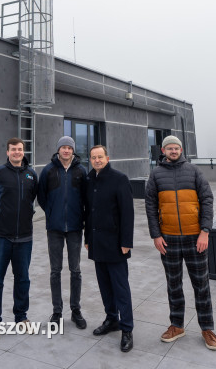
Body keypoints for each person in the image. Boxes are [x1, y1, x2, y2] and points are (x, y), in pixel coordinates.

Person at [145, 135, 216, 351]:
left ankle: (207, 328)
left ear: (181, 149)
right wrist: (156, 235)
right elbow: (150, 205)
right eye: (170, 148)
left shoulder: (194, 171)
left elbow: (207, 199)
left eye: (176, 148)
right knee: (173, 285)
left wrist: (205, 231)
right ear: (163, 150)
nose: (174, 151)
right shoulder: (156, 174)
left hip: (195, 238)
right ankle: (177, 326)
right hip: (168, 240)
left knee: (201, 285)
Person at [0, 137, 38, 340]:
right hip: (0, 237)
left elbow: (31, 200)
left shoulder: (31, 175)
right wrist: (0, 217)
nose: (17, 152)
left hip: (24, 237)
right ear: (7, 152)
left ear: (24, 152)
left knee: (23, 279)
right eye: (13, 149)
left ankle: (21, 317)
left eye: (20, 149)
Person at [85, 145, 134, 353]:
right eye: (93, 157)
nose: (97, 160)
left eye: (100, 157)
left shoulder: (119, 179)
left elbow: (127, 213)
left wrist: (126, 242)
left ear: (107, 158)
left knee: (120, 288)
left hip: (115, 244)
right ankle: (111, 319)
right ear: (90, 160)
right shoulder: (89, 180)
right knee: (104, 286)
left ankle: (127, 329)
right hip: (97, 243)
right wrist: (87, 238)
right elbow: (89, 212)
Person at [37, 135, 87, 329]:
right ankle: (57, 312)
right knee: (55, 271)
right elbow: (41, 195)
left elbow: (86, 197)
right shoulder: (48, 170)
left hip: (75, 228)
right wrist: (50, 212)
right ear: (58, 150)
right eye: (63, 147)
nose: (66, 150)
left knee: (75, 270)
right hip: (55, 229)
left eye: (69, 148)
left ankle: (76, 310)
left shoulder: (81, 171)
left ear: (73, 150)